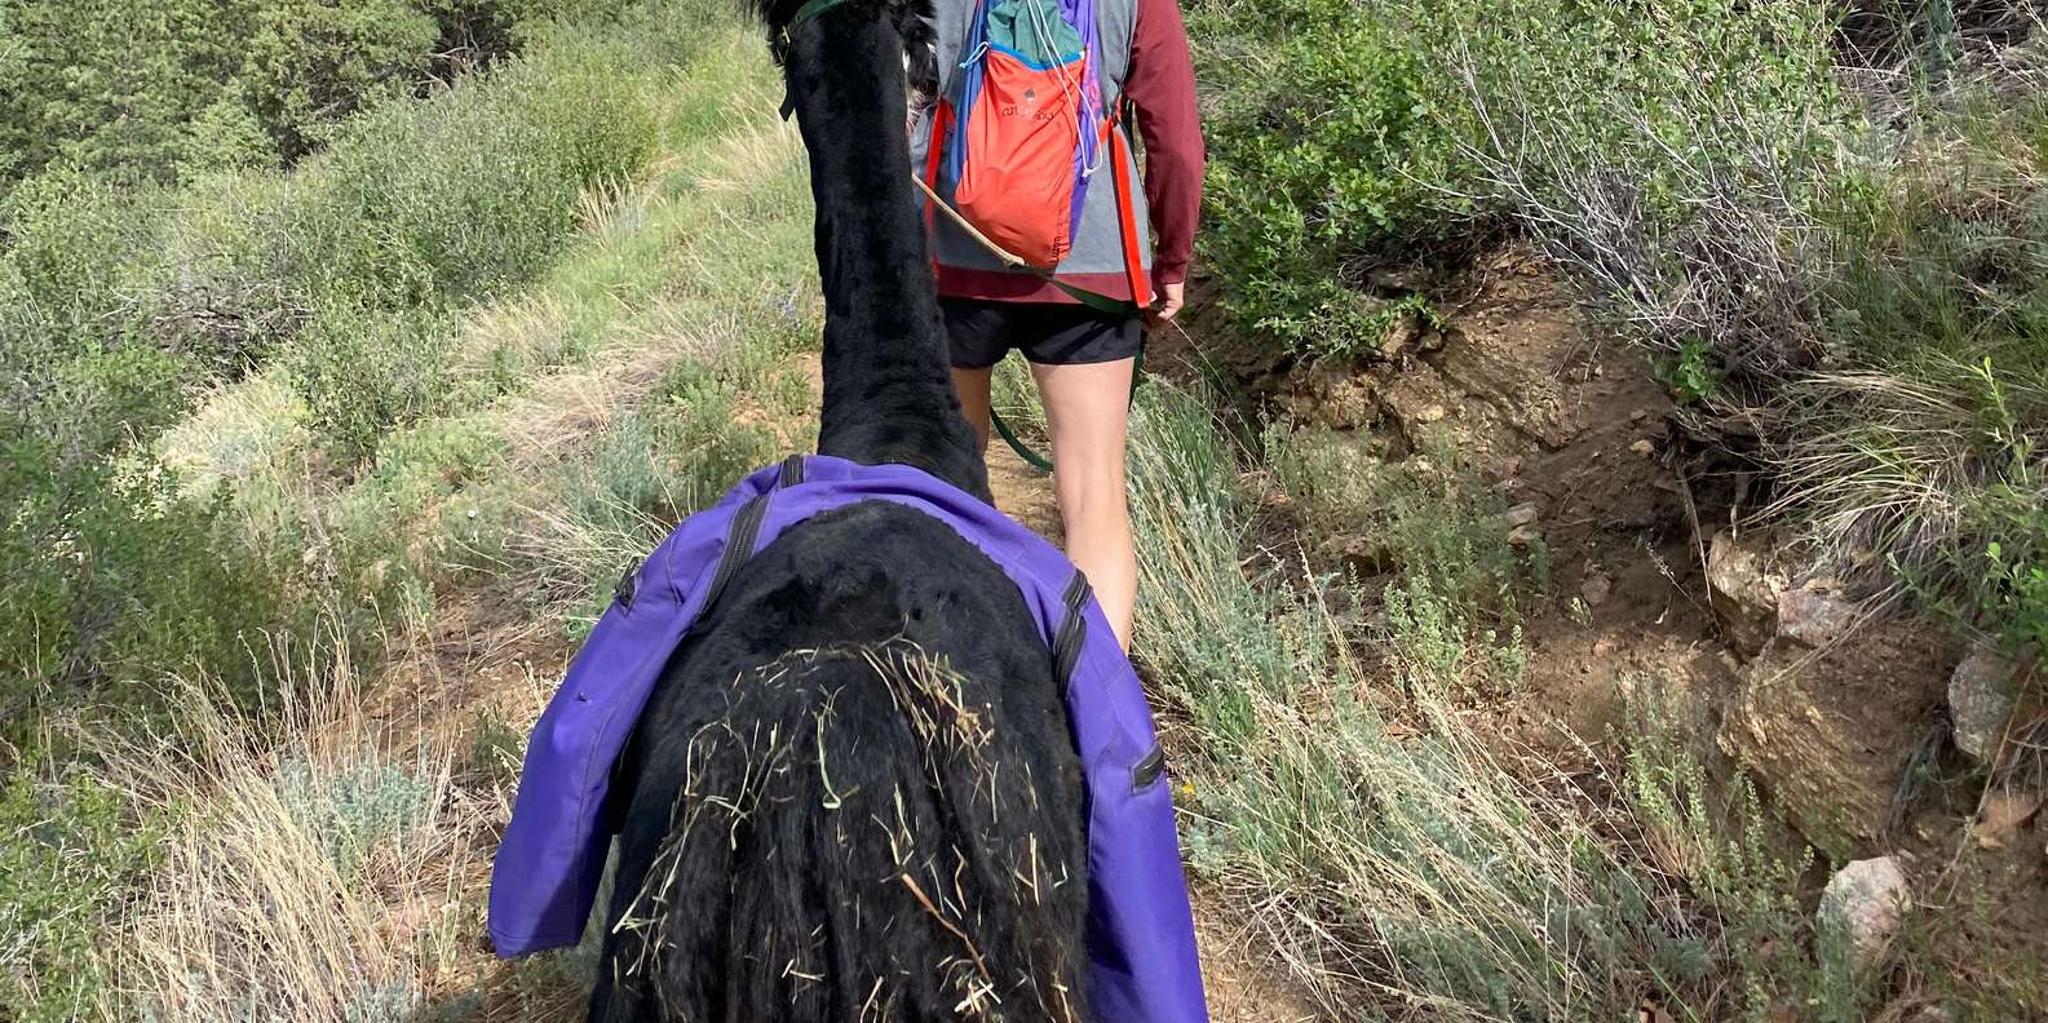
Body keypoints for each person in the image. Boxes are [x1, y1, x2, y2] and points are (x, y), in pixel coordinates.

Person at [913, 0, 1204, 652]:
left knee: (950, 483)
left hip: (954, 258)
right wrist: (1172, 258)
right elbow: (1176, 141)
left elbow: (897, 99)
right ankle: (1098, 713)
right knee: (1094, 497)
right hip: (1091, 269)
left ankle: (960, 675)